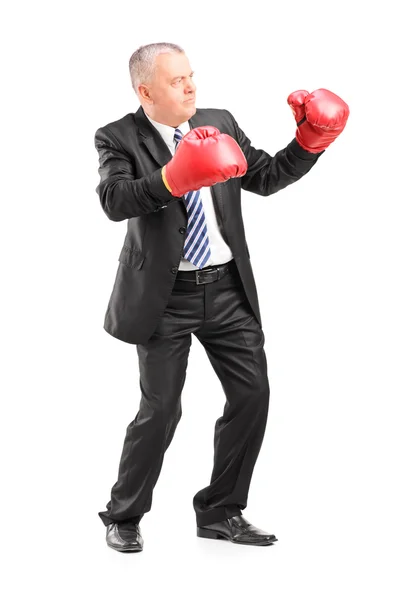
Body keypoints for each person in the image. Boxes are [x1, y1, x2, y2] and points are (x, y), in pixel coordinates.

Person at [94, 42, 349, 552]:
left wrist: (311, 141)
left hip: (228, 288)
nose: (190, 86)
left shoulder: (220, 120)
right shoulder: (117, 136)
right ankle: (123, 515)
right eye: (176, 81)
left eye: (191, 76)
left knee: (253, 396)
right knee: (161, 410)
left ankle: (220, 511)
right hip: (164, 298)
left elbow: (267, 177)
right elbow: (114, 200)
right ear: (145, 91)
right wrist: (174, 176)